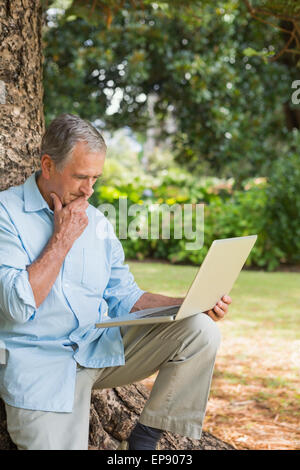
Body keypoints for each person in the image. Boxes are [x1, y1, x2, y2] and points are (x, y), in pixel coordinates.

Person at [0, 114, 232, 450]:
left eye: (95, 178)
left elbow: (125, 295)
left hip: (98, 348)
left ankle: (144, 440)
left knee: (199, 329)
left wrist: (189, 303)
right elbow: (16, 307)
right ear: (48, 166)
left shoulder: (97, 222)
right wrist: (62, 238)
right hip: (41, 368)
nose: (89, 190)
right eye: (81, 177)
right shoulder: (6, 214)